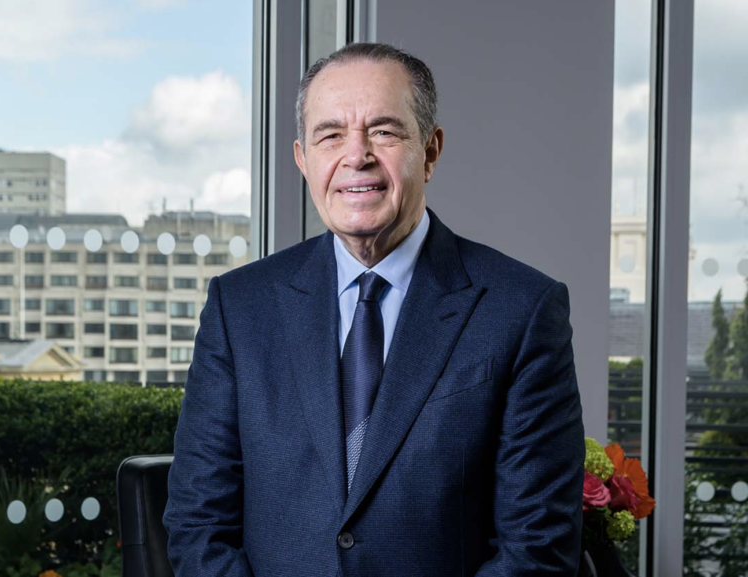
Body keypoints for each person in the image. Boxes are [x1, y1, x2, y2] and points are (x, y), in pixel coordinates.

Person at [162, 42, 584, 576]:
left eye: (383, 131)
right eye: (330, 134)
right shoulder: (238, 307)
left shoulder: (522, 309)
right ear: (302, 159)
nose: (355, 155)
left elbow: (537, 544)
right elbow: (198, 524)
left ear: (430, 151)